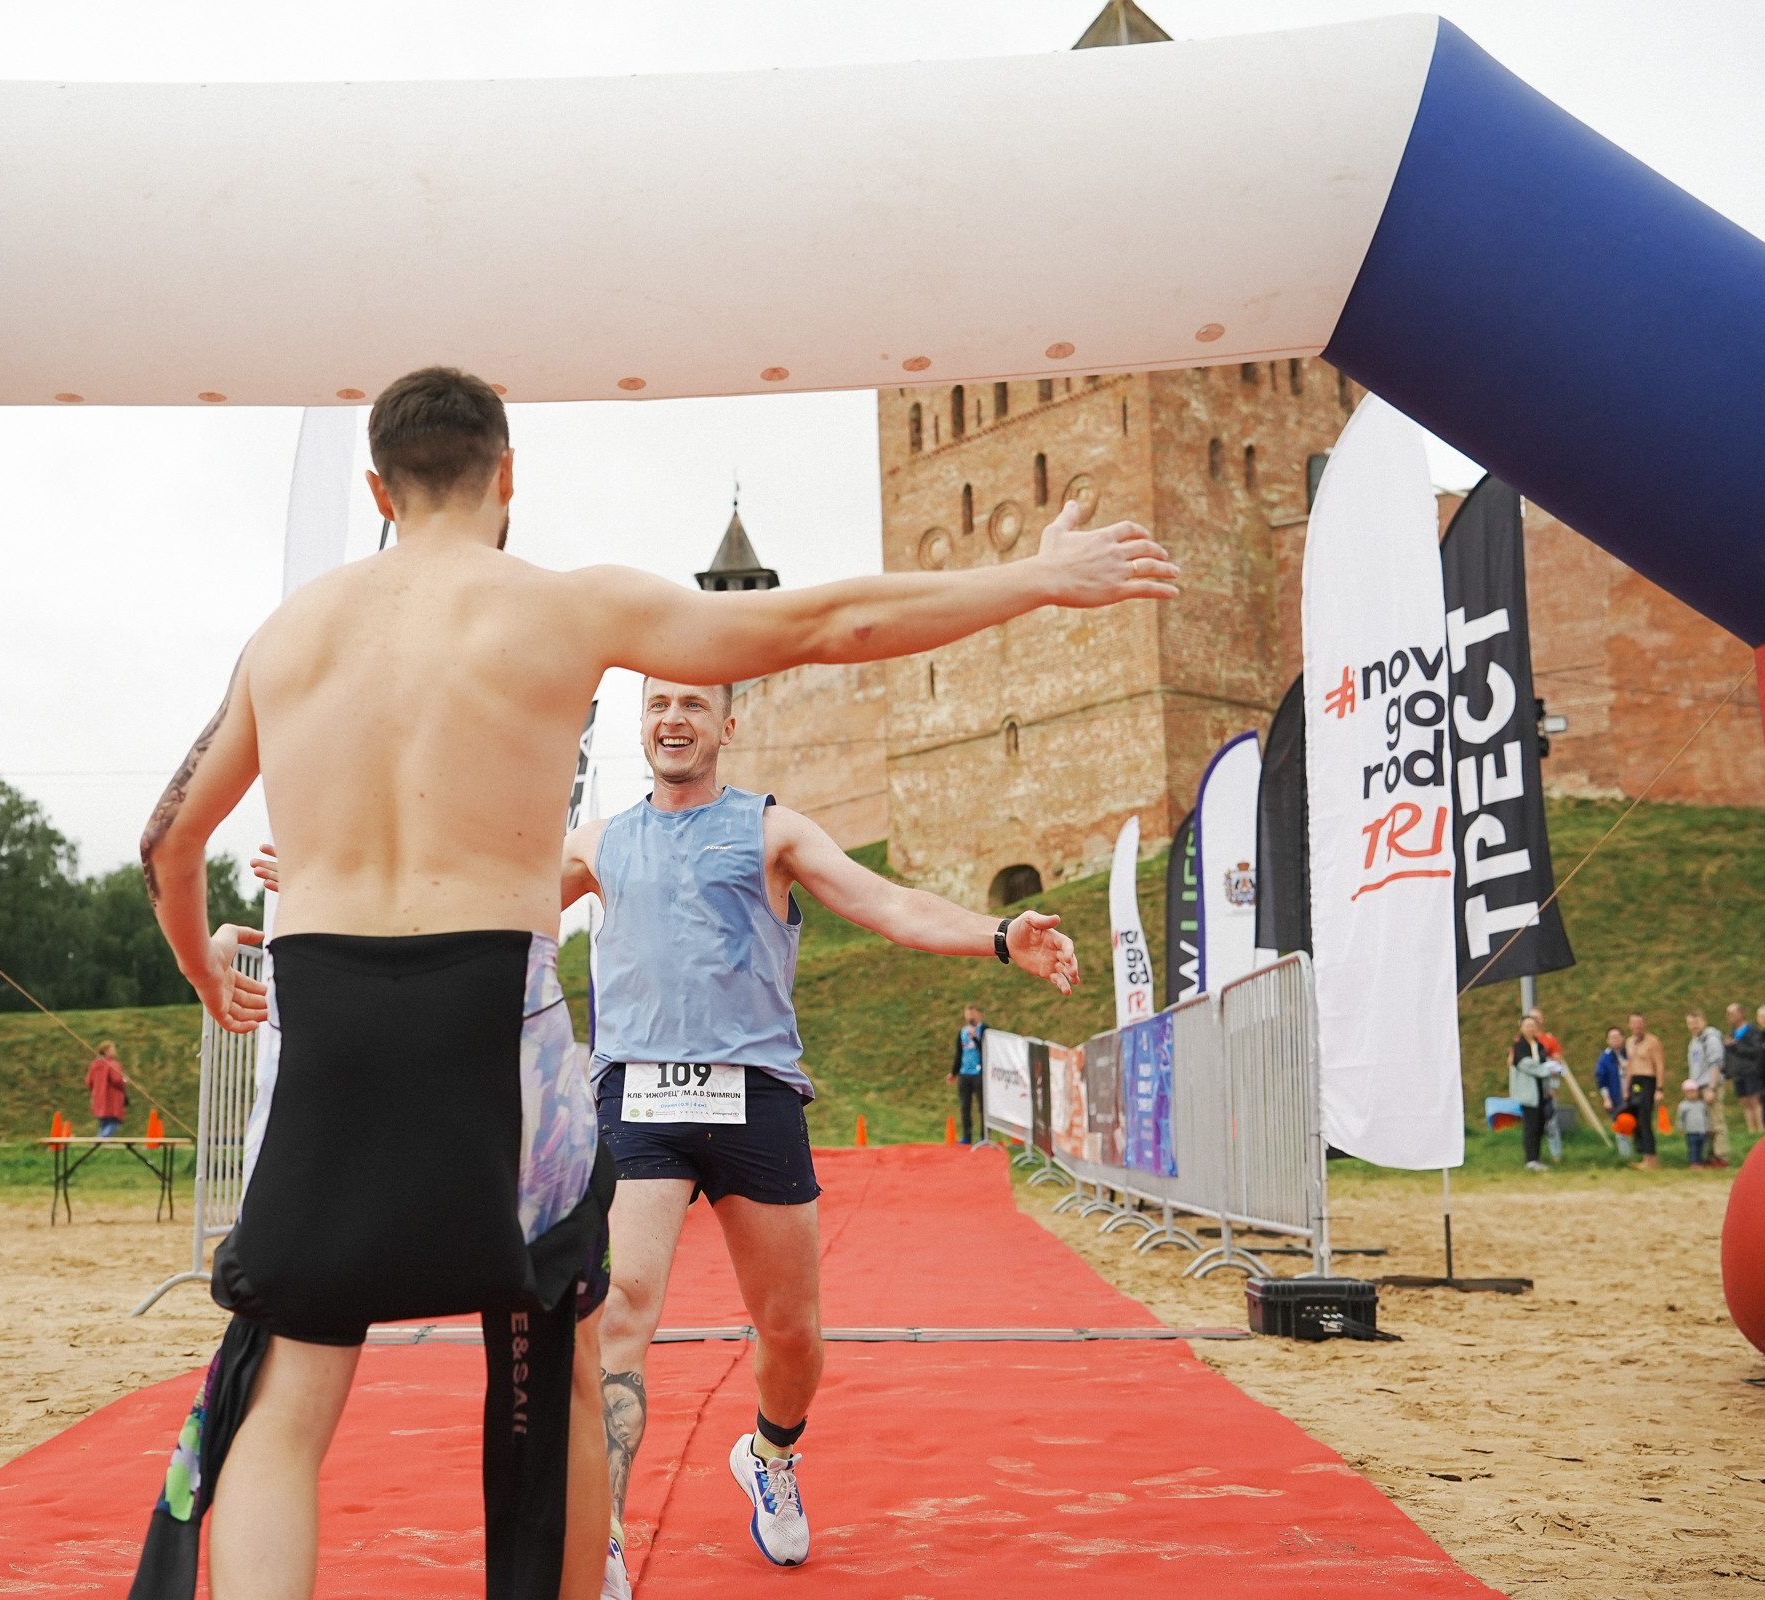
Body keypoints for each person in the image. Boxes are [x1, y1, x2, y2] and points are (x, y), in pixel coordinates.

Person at [126, 367, 1178, 1600]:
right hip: (497, 1024)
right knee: (557, 1375)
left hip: (334, 1013)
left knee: (290, 1390)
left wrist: (207, 971)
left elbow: (167, 845)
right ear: (508, 477)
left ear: (377, 488)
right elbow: (826, 625)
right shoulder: (566, 608)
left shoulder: (288, 635)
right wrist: (1034, 578)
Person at [561, 679, 1078, 1594]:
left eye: (691, 704)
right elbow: (487, 907)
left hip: (754, 1096)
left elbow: (888, 905)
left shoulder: (773, 832)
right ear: (640, 725)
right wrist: (344, 895)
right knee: (622, 1309)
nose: (671, 720)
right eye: (656, 706)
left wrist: (1001, 937)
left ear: (728, 722)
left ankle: (770, 1457)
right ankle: (601, 1533)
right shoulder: (600, 845)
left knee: (792, 1335)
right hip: (638, 1095)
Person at [1507, 1015, 1559, 1172]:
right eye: (1527, 1025)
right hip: (1528, 1093)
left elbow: (1546, 1062)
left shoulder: (1539, 1045)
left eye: (1533, 1025)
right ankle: (1530, 1159)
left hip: (1541, 1092)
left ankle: (1537, 1157)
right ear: (1521, 1028)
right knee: (1531, 1125)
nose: (1530, 1028)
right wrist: (1545, 1070)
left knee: (1541, 1124)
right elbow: (1525, 1065)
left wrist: (1552, 1078)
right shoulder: (1519, 1046)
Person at [1683, 1009, 1729, 1166]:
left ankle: (1721, 1156)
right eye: (1690, 1023)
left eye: (1696, 1022)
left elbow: (1715, 1063)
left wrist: (1712, 1087)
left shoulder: (1711, 1038)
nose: (1693, 1026)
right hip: (1699, 1086)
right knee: (1706, 1124)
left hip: (1710, 1084)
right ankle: (1711, 1155)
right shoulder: (1695, 1040)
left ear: (1704, 1021)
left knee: (1717, 1122)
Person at [1525, 1007, 1567, 1161]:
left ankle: (1556, 1154)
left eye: (1537, 1018)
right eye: (1531, 1018)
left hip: (1547, 1086)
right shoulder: (1522, 1042)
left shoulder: (1549, 1040)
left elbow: (1558, 1063)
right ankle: (1534, 1156)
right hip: (1530, 1088)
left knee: (1551, 1121)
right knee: (1533, 1123)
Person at [1624, 1012, 1665, 1169]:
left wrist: (1659, 1088)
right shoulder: (1629, 1042)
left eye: (1640, 1023)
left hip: (1648, 1081)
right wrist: (1626, 1089)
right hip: (1635, 1082)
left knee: (1646, 1120)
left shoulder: (1652, 1041)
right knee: (1637, 1121)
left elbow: (1659, 1065)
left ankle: (1652, 1158)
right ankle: (1644, 1155)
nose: (1637, 1026)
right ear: (1630, 1025)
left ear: (1645, 1024)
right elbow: (1629, 1066)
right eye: (1634, 1023)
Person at [1726, 1002, 1765, 1136]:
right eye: (1728, 1013)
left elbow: (1756, 1050)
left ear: (1742, 1014)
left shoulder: (1751, 1030)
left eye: (1732, 1013)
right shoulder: (1732, 1032)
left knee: (1755, 1100)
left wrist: (1736, 1047)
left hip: (1751, 1070)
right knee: (1744, 1101)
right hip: (1738, 1072)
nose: (1729, 1016)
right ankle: (1751, 1129)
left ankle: (1760, 1127)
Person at [950, 1005, 987, 1145]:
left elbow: (987, 1049)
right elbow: (959, 1053)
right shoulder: (963, 1032)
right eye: (967, 1014)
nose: (970, 1017)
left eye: (972, 1014)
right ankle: (967, 1136)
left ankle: (985, 1137)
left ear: (979, 1014)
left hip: (979, 1074)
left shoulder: (985, 1031)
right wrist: (954, 1072)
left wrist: (975, 1038)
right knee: (965, 1106)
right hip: (965, 1074)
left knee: (982, 1106)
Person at [1594, 1027, 1631, 1157]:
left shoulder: (1631, 1052)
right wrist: (1606, 1098)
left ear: (1623, 1037)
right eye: (1612, 1037)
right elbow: (1601, 1079)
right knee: (1621, 1125)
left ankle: (1643, 1154)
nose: (1615, 1040)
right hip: (1616, 1095)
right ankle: (1625, 1155)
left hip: (1633, 1094)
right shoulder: (1605, 1058)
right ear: (1608, 1040)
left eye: (1617, 1036)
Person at [88, 1041, 129, 1138]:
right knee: (114, 1122)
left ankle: (100, 1142)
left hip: (98, 1098)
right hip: (112, 1098)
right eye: (113, 1049)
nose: (115, 1052)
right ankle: (102, 1139)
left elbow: (89, 1082)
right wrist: (125, 1080)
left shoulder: (94, 1065)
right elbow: (117, 1080)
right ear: (106, 1051)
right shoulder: (112, 1064)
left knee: (103, 1122)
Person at [1676, 1080, 1712, 1168]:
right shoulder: (1683, 1105)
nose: (1692, 1094)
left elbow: (1706, 1117)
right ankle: (1694, 1162)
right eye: (1689, 1092)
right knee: (1693, 1148)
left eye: (1694, 1092)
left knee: (1701, 1147)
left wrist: (1708, 1127)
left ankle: (1700, 1161)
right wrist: (1681, 1128)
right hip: (1691, 1131)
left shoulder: (1702, 1104)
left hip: (1702, 1131)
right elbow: (1680, 1118)